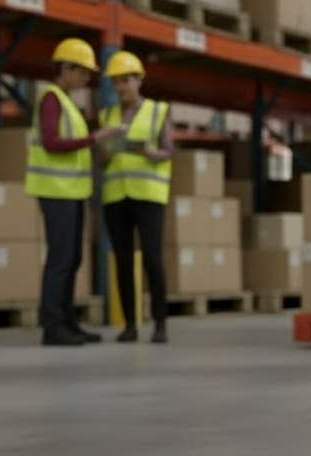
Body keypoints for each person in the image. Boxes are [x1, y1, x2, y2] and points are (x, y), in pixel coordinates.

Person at [26, 38, 125, 346]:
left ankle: (68, 323)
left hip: (71, 192)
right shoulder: (52, 99)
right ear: (65, 69)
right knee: (61, 259)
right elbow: (52, 142)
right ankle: (53, 327)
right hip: (56, 191)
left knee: (72, 257)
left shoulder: (68, 102)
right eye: (82, 72)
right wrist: (94, 139)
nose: (86, 79)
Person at [97, 51, 174, 344]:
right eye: (116, 82)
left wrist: (148, 153)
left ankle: (160, 324)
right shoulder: (107, 116)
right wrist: (105, 152)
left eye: (126, 80)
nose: (121, 87)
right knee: (123, 261)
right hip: (116, 197)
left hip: (149, 195)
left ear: (139, 80)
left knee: (153, 259)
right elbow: (101, 160)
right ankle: (129, 324)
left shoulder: (157, 111)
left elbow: (169, 150)